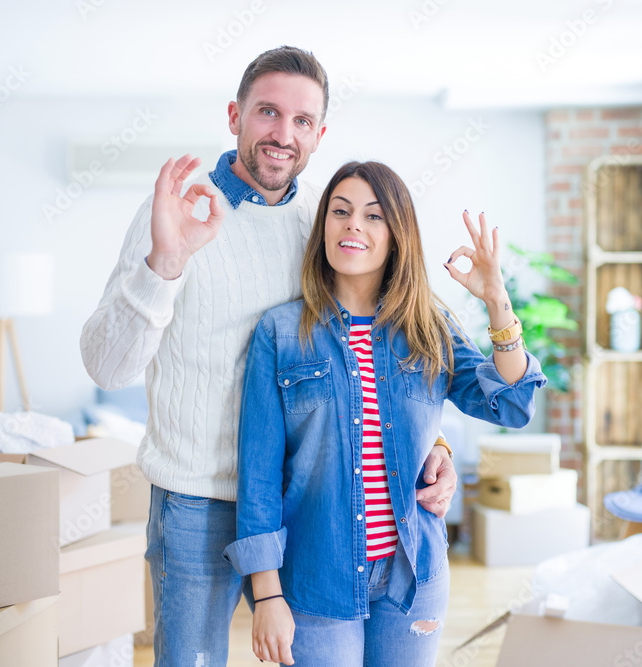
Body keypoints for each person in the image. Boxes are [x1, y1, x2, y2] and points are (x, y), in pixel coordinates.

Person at [80, 47, 458, 667]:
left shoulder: (326, 217)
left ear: (320, 134)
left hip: (307, 512)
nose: (284, 135)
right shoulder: (178, 215)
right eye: (267, 113)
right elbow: (106, 367)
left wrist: (433, 447)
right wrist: (166, 265)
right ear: (234, 115)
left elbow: (381, 348)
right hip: (197, 504)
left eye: (302, 121)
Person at [224, 161, 547, 666]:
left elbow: (509, 402)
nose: (354, 224)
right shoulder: (281, 333)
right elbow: (259, 477)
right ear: (323, 228)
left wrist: (496, 299)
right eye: (341, 211)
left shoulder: (428, 325)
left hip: (413, 577)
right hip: (316, 582)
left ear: (397, 236)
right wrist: (266, 596)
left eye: (374, 216)